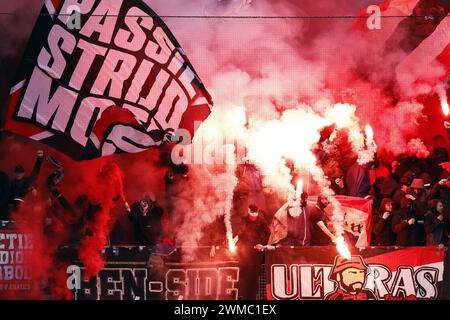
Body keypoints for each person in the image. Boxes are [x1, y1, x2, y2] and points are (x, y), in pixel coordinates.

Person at [235, 204, 270, 300]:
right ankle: (243, 297)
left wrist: (262, 244)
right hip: (245, 253)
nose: (253, 216)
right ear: (248, 211)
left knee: (254, 277)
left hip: (256, 253)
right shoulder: (244, 220)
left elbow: (268, 234)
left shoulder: (262, 221)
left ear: (258, 212)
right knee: (245, 276)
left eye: (255, 213)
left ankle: (252, 298)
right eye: (252, 213)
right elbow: (239, 233)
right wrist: (236, 239)